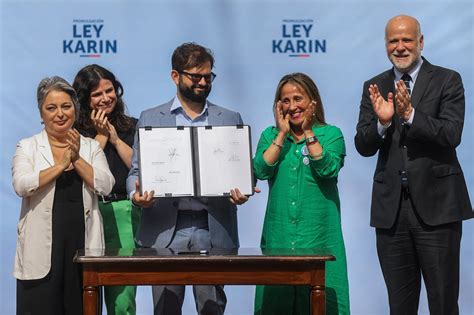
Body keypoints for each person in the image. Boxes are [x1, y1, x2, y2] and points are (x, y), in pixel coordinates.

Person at [355, 15, 473, 315]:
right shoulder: (375, 85)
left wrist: (409, 115)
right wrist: (382, 123)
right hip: (391, 212)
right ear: (386, 46)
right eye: (393, 41)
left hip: (437, 209)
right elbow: (363, 145)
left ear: (420, 42)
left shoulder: (448, 79)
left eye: (407, 40)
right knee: (400, 305)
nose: (400, 47)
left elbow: (451, 134)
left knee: (443, 302)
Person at [127, 42, 251, 315]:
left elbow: (239, 170)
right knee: (166, 310)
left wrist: (243, 191)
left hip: (213, 226)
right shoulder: (150, 118)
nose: (203, 82)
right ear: (176, 76)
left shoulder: (230, 118)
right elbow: (136, 172)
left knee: (212, 309)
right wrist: (136, 196)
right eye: (196, 76)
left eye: (208, 76)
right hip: (164, 229)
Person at [12, 76, 114, 315]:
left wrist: (77, 159)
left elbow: (106, 185)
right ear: (41, 112)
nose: (60, 113)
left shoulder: (90, 147)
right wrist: (60, 166)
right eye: (51, 108)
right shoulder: (27, 146)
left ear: (76, 111)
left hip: (82, 249)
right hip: (40, 251)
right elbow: (21, 184)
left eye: (66, 106)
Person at [253, 73, 350, 315]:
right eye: (285, 100)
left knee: (322, 306)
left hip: (319, 240)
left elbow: (327, 168)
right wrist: (282, 134)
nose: (292, 106)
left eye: (298, 99)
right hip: (280, 239)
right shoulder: (270, 135)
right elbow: (261, 170)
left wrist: (308, 132)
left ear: (312, 102)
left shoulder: (331, 134)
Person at [73, 64, 140, 315]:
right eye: (97, 94)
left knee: (122, 300)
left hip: (122, 212)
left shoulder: (132, 125)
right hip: (87, 212)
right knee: (83, 294)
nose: (105, 98)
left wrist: (114, 138)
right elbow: (83, 170)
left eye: (109, 90)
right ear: (84, 99)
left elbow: (139, 167)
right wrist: (99, 137)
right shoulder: (74, 132)